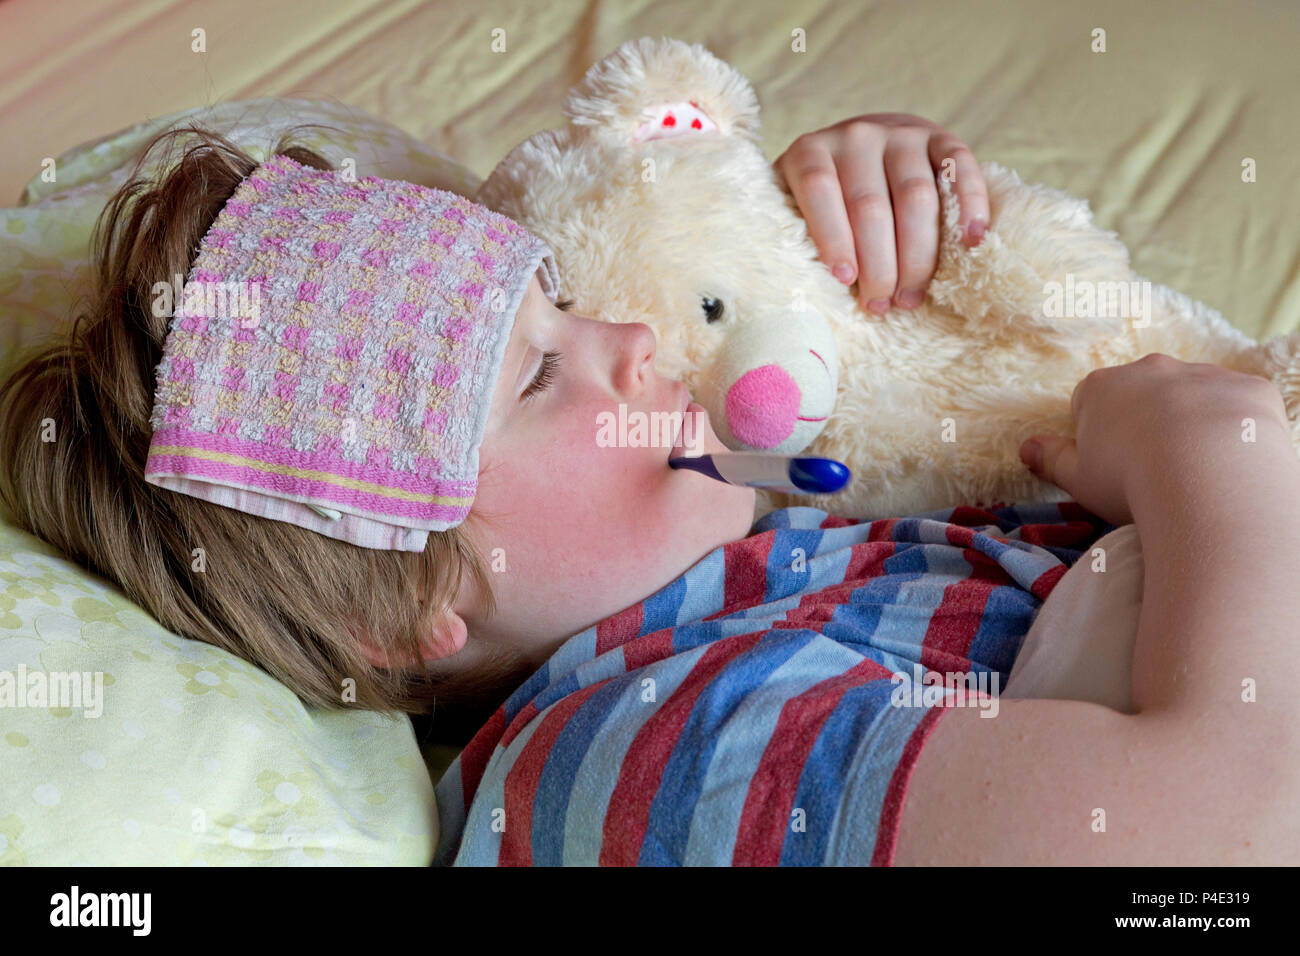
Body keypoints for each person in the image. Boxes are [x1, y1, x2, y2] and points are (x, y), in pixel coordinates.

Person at [3, 114, 1295, 868]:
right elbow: (1235, 834)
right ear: (410, 604)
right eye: (531, 379)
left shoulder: (758, 577)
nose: (627, 335)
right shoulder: (650, 752)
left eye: (562, 300)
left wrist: (853, 205)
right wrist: (1221, 460)